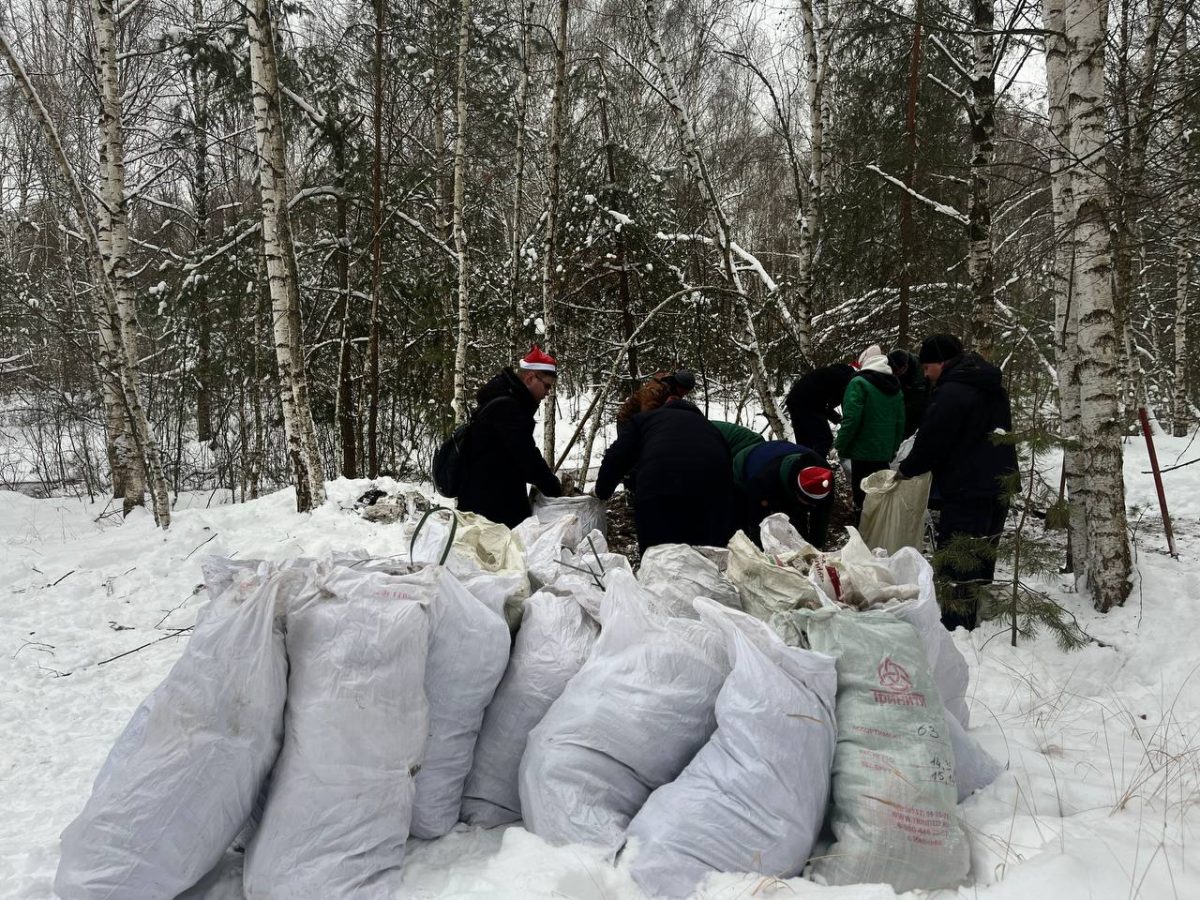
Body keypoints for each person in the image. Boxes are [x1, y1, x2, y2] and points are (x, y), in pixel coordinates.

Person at [897, 334, 1019, 631]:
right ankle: (974, 609)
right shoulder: (989, 385)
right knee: (983, 549)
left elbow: (932, 440)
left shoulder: (953, 391)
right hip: (1000, 480)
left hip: (968, 484)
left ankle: (957, 624)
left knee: (958, 556)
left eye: (928, 367)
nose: (925, 374)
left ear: (942, 361)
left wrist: (906, 470)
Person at [594, 393, 735, 553]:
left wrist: (602, 491)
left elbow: (617, 456)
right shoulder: (712, 429)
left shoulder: (645, 420)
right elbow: (729, 468)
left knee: (658, 558)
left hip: (658, 490)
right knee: (706, 560)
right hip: (711, 497)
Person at [455, 345, 562, 528]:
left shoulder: (505, 399)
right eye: (546, 386)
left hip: (484, 499)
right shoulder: (509, 408)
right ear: (530, 378)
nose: (547, 393)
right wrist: (553, 488)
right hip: (491, 507)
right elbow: (526, 457)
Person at [834, 344, 905, 522]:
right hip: (883, 452)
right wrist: (893, 448)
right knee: (880, 495)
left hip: (862, 453)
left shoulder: (859, 383)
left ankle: (864, 534)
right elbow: (900, 422)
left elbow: (851, 420)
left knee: (862, 497)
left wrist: (840, 446)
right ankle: (880, 533)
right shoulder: (895, 388)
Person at [735, 437, 834, 548]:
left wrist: (815, 547)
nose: (812, 507)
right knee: (745, 520)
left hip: (781, 457)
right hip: (746, 465)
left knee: (798, 519)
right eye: (809, 503)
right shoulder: (762, 481)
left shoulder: (825, 477)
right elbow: (755, 522)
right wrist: (761, 554)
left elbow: (822, 513)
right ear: (796, 492)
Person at [785, 363, 856, 458]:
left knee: (804, 443)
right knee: (824, 439)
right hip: (808, 403)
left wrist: (838, 419)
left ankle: (804, 467)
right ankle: (817, 466)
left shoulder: (832, 374)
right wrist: (844, 420)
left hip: (795, 400)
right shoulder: (845, 380)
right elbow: (842, 404)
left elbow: (824, 403)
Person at [887, 348, 929, 438]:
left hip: (915, 412)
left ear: (905, 366)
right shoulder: (897, 368)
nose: (895, 374)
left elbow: (917, 403)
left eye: (897, 372)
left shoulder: (920, 373)